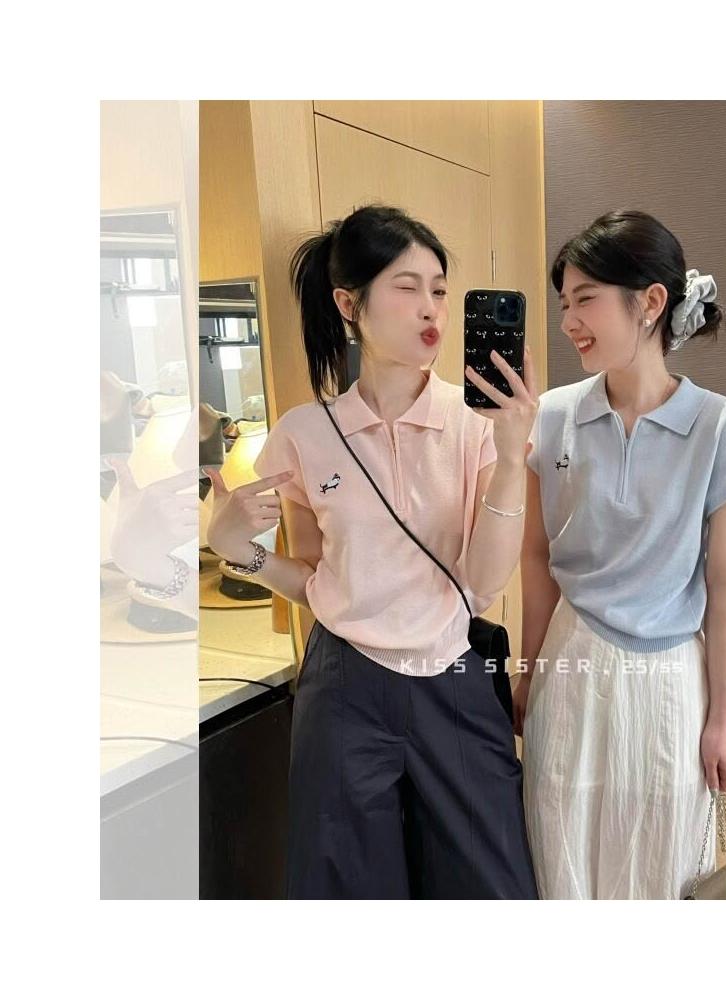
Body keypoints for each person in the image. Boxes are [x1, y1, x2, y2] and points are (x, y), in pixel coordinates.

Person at [205, 204, 539, 899]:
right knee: (347, 889)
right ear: (348, 304)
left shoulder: (476, 424)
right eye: (407, 286)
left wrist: (511, 460)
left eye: (439, 289)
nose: (431, 308)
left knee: (490, 885)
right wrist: (238, 551)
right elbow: (313, 577)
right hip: (344, 686)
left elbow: (483, 582)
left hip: (452, 674)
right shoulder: (304, 435)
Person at [515, 209, 726, 899]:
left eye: (585, 300)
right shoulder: (551, 415)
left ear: (651, 302)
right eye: (564, 304)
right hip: (571, 663)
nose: (569, 321)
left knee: (660, 859)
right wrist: (526, 672)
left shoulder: (723, 428)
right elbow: (536, 559)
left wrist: (722, 721)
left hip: (668, 677)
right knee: (561, 846)